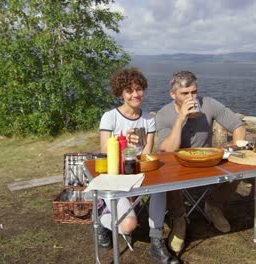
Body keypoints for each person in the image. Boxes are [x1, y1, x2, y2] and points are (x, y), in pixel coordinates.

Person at [156, 71, 246, 253]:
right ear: (173, 94)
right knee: (167, 173)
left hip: (207, 161)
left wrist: (236, 148)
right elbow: (168, 149)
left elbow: (238, 125)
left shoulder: (209, 104)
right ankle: (179, 219)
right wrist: (181, 118)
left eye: (194, 92)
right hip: (178, 164)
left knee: (239, 167)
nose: (191, 97)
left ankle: (213, 206)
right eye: (185, 94)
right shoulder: (164, 115)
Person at [99, 67, 179, 264]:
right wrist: (122, 140)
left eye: (139, 89)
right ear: (120, 94)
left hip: (137, 174)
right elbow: (104, 151)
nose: (136, 94)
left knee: (161, 188)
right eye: (129, 91)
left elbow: (147, 155)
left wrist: (141, 153)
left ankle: (156, 240)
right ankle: (102, 221)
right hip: (114, 178)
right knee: (129, 225)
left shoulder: (148, 120)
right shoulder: (110, 117)